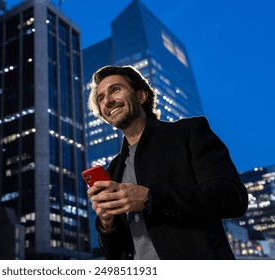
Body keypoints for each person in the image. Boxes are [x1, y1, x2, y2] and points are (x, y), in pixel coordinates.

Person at [86, 65, 248, 260]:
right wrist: (107, 223)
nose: (108, 101)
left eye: (116, 89)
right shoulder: (114, 169)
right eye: (100, 98)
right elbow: (116, 255)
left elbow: (232, 198)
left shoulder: (189, 133)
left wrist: (149, 197)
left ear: (141, 96)